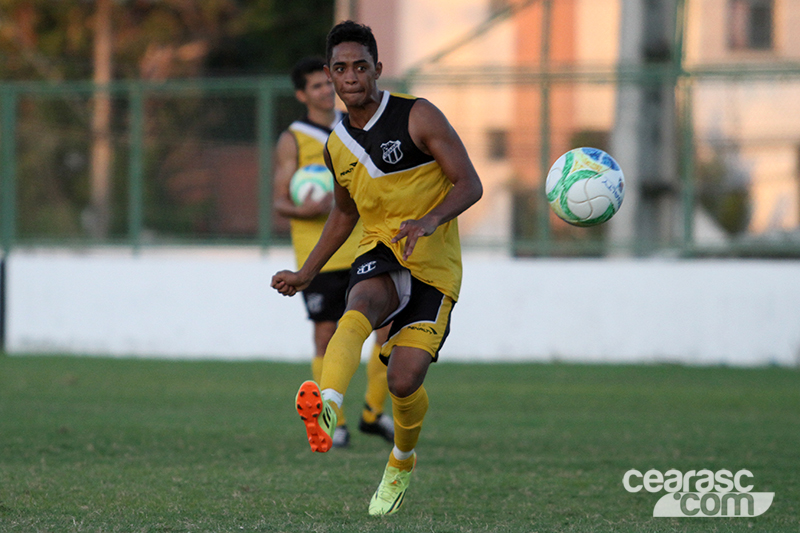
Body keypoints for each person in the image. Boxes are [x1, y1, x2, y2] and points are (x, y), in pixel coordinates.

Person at [271, 21, 483, 516]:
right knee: (360, 304)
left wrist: (430, 220)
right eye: (340, 69)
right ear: (329, 74)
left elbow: (469, 183)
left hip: (434, 265)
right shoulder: (336, 144)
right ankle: (328, 407)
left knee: (403, 381)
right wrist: (307, 271)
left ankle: (401, 461)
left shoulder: (418, 115)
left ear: (377, 69)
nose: (350, 77)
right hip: (380, 248)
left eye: (360, 66)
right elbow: (344, 214)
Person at [272, 56, 394, 448]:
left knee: (388, 331)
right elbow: (279, 201)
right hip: (320, 253)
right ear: (301, 94)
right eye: (317, 86)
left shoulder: (354, 126)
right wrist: (305, 209)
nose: (326, 91)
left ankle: (374, 413)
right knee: (327, 337)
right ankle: (334, 422)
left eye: (328, 83)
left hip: (366, 244)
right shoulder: (294, 139)